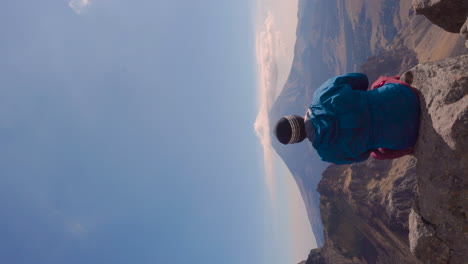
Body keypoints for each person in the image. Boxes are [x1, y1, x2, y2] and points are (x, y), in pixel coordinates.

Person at [275, 73, 420, 164]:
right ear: (295, 117)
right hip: (405, 95)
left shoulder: (326, 154)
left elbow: (362, 155)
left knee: (376, 153)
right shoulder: (321, 95)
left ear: (299, 139)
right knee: (378, 84)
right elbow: (362, 80)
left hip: (406, 137)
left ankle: (410, 148)